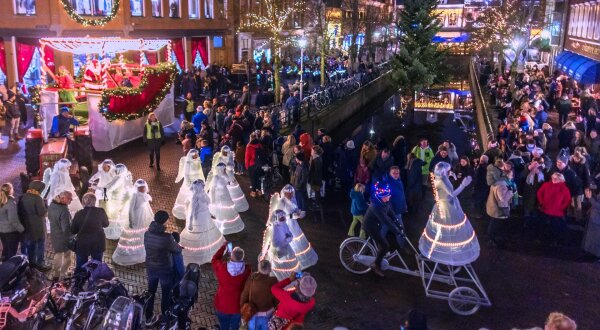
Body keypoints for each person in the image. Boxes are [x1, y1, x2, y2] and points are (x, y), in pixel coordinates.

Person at [144, 210, 183, 325]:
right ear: (165, 222)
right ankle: (165, 320)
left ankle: (148, 317)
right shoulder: (167, 237)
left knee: (151, 293)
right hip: (165, 270)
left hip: (151, 268)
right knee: (166, 294)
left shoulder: (147, 233)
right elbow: (176, 249)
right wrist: (179, 246)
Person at [362, 182, 404, 277]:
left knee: (378, 243)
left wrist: (399, 224)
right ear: (382, 196)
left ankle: (369, 253)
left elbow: (391, 213)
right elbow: (386, 221)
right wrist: (397, 232)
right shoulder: (376, 207)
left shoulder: (384, 201)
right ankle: (375, 265)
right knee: (385, 245)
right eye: (387, 196)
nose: (389, 197)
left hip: (376, 225)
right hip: (370, 227)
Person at [112, 179, 153, 266]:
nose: (142, 189)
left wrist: (151, 216)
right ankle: (130, 254)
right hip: (136, 217)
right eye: (140, 187)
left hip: (143, 217)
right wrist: (131, 221)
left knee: (142, 234)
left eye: (143, 187)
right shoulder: (134, 195)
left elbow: (147, 207)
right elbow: (131, 209)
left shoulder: (145, 195)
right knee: (133, 235)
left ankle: (141, 252)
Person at [211, 242, 251, 330]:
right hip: (238, 306)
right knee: (235, 326)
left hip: (223, 304)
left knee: (224, 326)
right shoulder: (247, 271)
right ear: (242, 258)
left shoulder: (222, 268)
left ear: (231, 256)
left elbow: (214, 259)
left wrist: (223, 247)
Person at [71, 193, 109, 270]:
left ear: (83, 202)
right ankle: (95, 280)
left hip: (82, 244)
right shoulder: (101, 211)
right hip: (98, 242)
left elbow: (73, 230)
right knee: (97, 265)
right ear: (95, 202)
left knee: (81, 266)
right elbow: (106, 224)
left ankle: (80, 280)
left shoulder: (79, 213)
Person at [20, 180, 50, 270]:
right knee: (40, 245)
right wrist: (46, 205)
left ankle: (30, 262)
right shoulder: (38, 198)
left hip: (27, 224)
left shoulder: (23, 196)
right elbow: (42, 213)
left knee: (31, 245)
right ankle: (40, 263)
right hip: (38, 226)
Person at [240, 260, 278, 330]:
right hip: (268, 314)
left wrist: (242, 310)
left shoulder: (251, 280)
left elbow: (244, 296)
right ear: (269, 269)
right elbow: (277, 298)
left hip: (252, 313)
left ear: (259, 268)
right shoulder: (273, 281)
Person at [537, 173, 571, 245]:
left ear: (561, 180)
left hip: (557, 212)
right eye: (553, 178)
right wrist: (541, 202)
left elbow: (567, 200)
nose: (554, 180)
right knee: (542, 226)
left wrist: (561, 208)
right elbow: (539, 193)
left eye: (556, 179)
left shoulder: (564, 189)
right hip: (545, 209)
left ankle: (553, 241)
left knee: (555, 227)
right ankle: (541, 239)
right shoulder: (546, 185)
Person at [486, 164, 515, 248]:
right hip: (499, 209)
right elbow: (502, 199)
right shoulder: (501, 185)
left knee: (494, 223)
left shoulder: (498, 181)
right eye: (511, 174)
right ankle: (492, 240)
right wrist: (511, 192)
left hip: (493, 207)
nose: (512, 176)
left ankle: (492, 238)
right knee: (495, 224)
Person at [48, 191, 74, 280]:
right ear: (63, 198)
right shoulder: (64, 210)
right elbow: (66, 227)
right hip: (63, 237)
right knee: (68, 255)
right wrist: (71, 237)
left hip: (54, 234)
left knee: (58, 254)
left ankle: (56, 273)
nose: (71, 200)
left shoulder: (52, 204)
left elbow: (49, 217)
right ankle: (63, 274)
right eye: (69, 198)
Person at [0, 183, 24, 261]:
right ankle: (9, 269)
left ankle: (3, 265)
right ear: (11, 191)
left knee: (6, 248)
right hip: (11, 232)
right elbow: (13, 220)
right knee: (12, 252)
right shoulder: (10, 203)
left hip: (2, 231)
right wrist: (22, 229)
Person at [583, 188, 600, 258]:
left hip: (597, 220)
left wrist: (591, 199)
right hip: (594, 218)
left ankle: (596, 255)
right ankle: (591, 252)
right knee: (591, 237)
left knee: (596, 238)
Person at [308, 145, 323, 210]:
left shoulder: (316, 160)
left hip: (315, 179)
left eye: (312, 150)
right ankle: (317, 203)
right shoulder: (315, 158)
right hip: (315, 178)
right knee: (317, 191)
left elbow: (316, 171)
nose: (311, 151)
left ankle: (317, 204)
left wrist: (312, 179)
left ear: (315, 151)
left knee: (317, 191)